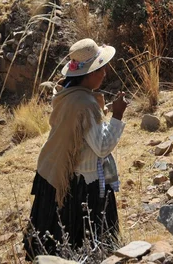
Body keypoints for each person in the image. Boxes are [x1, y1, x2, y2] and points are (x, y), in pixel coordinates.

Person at [23, 38, 128, 259]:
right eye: (100, 68)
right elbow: (101, 147)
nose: (105, 73)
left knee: (54, 242)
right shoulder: (84, 104)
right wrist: (117, 115)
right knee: (83, 242)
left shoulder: (67, 95)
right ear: (88, 74)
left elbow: (80, 130)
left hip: (54, 173)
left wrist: (102, 112)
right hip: (80, 184)